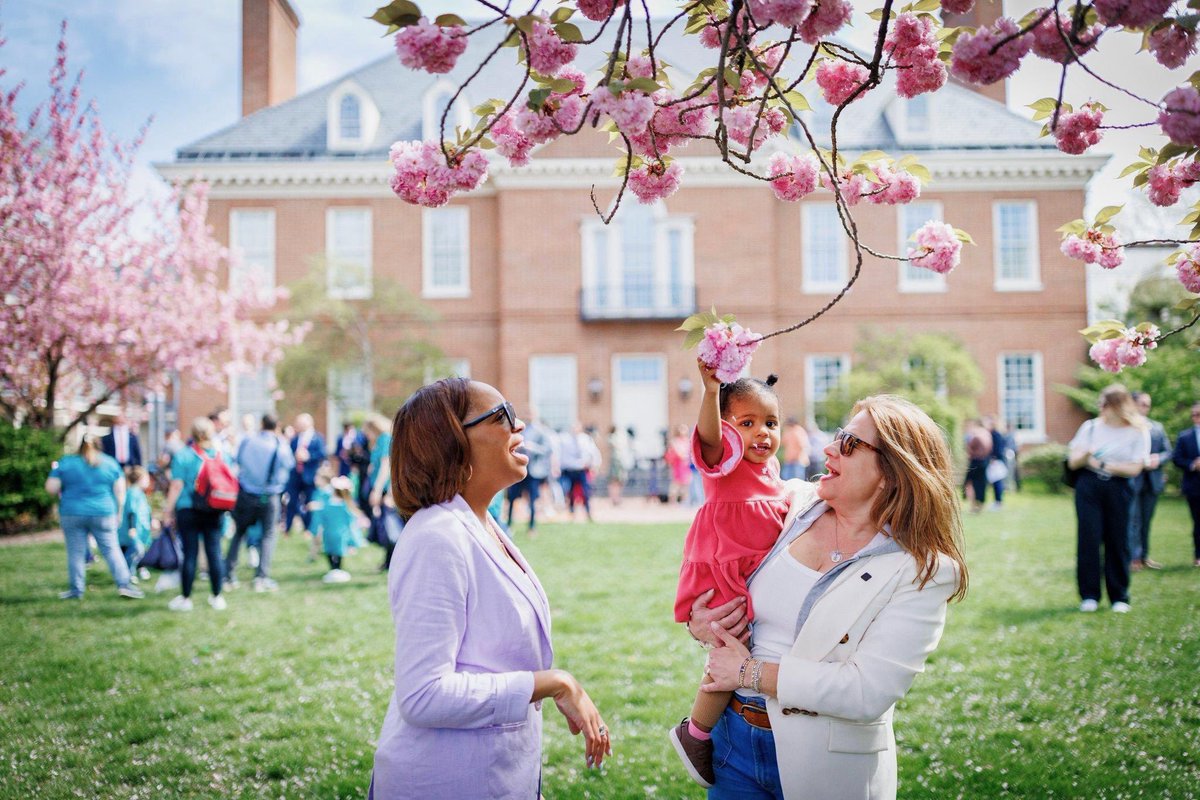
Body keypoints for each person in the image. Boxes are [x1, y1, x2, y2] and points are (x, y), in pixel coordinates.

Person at [686, 395, 968, 800]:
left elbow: (866, 691)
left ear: (891, 472)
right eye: (838, 436)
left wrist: (749, 672)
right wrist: (703, 621)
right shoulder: (788, 504)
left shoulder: (924, 571)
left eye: (850, 444)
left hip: (825, 766)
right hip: (732, 746)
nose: (829, 449)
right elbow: (720, 563)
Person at [370, 378, 611, 798]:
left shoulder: (478, 523)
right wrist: (554, 682)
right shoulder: (437, 536)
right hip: (446, 783)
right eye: (502, 416)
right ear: (451, 440)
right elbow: (423, 695)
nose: (519, 426)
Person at [669, 362, 791, 789]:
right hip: (724, 570)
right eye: (747, 423)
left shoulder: (772, 471)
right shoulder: (727, 462)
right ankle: (697, 732)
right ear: (727, 430)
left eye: (770, 423)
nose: (762, 433)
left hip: (750, 571)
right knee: (731, 651)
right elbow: (708, 438)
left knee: (744, 649)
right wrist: (710, 392)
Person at [1067, 384, 1149, 613]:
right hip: (1089, 486)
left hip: (1119, 487)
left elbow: (1135, 468)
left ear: (1117, 405)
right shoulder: (1090, 427)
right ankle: (1089, 595)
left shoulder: (1137, 431)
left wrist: (1103, 465)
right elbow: (1073, 462)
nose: (1100, 407)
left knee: (1119, 539)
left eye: (1104, 403)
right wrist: (1087, 454)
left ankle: (1119, 596)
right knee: (1089, 538)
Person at [45, 437, 145, 600]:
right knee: (111, 549)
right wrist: (119, 513)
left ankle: (76, 590)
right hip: (103, 512)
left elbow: (51, 488)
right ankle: (124, 584)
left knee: (76, 552)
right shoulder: (110, 463)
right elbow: (120, 493)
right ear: (100, 447)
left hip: (72, 512)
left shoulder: (66, 463)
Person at [162, 417, 229, 612]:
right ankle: (217, 596)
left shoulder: (183, 455)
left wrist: (168, 510)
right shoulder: (219, 454)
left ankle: (186, 598)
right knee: (214, 552)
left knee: (189, 553)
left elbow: (176, 485)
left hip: (188, 508)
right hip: (214, 509)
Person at [225, 413, 294, 591]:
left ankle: (228, 575)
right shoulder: (281, 445)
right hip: (270, 495)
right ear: (277, 426)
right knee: (268, 535)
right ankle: (261, 577)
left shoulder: (248, 441)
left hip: (246, 494)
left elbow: (237, 461)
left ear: (261, 424)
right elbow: (288, 466)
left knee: (239, 533)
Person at [1129, 392, 1170, 571]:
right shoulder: (1127, 426)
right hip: (1133, 479)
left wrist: (1158, 459)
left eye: (1148, 404)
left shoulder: (1157, 427)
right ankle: (1134, 558)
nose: (1146, 407)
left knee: (1146, 520)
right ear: (1134, 404)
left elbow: (1168, 451)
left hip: (1152, 480)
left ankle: (1145, 556)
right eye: (1143, 404)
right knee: (1133, 520)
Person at [309, 475, 365, 583]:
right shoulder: (346, 506)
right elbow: (350, 522)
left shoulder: (327, 505)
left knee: (329, 551)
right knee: (339, 553)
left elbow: (319, 518)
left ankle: (333, 569)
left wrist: (315, 531)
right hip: (341, 535)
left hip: (328, 534)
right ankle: (337, 569)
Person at [506, 412, 553, 533]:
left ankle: (532, 527)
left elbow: (548, 449)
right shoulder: (520, 429)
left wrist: (533, 447)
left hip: (533, 472)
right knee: (512, 498)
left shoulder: (541, 431)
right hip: (519, 470)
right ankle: (508, 525)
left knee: (533, 500)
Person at [285, 412, 326, 534]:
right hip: (296, 475)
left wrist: (308, 456)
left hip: (310, 475)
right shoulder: (295, 439)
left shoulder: (317, 438)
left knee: (310, 502)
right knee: (292, 501)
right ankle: (287, 528)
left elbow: (322, 454)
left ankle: (309, 528)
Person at [1172, 402, 1200, 568]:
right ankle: (1198, 555)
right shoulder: (1184, 436)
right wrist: (1193, 464)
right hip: (1194, 486)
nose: (1196, 417)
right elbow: (1177, 459)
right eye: (1193, 414)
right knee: (1198, 522)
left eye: (1199, 414)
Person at [558, 421, 600, 521]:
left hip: (582, 470)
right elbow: (561, 455)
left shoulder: (586, 439)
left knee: (586, 492)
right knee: (570, 493)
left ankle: (588, 512)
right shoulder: (565, 440)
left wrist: (594, 465)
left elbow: (594, 453)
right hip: (570, 470)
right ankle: (572, 512)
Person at [119, 465, 154, 580]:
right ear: (140, 479)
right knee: (136, 550)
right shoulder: (133, 493)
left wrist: (151, 521)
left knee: (139, 550)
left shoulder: (139, 493)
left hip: (140, 530)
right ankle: (127, 573)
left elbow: (145, 511)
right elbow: (131, 511)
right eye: (147, 478)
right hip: (133, 530)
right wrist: (132, 527)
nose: (148, 481)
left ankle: (131, 572)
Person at [962, 418, 992, 513]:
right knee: (981, 484)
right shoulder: (987, 434)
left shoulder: (975, 436)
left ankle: (974, 505)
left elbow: (969, 448)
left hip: (975, 462)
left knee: (971, 483)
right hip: (984, 461)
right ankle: (980, 504)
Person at [605, 424, 634, 506]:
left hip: (620, 462)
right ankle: (615, 498)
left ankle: (616, 498)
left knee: (618, 482)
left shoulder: (617, 438)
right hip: (617, 462)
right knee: (614, 482)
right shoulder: (613, 438)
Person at [664, 423, 693, 504]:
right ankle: (672, 502)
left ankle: (684, 502)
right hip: (677, 465)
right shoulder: (675, 441)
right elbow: (678, 453)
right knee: (675, 484)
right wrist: (683, 455)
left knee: (686, 484)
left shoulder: (688, 441)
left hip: (686, 466)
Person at [780, 417, 811, 481]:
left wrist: (795, 457)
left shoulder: (798, 431)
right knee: (786, 479)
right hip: (790, 460)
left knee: (796, 480)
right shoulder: (789, 431)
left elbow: (802, 446)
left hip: (797, 461)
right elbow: (782, 442)